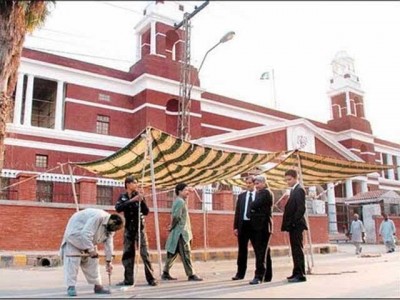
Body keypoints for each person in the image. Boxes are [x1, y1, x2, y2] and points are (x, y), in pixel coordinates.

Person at [60, 208, 124, 297]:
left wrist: (109, 261)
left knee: (93, 263)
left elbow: (109, 243)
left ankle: (98, 286)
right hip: (74, 238)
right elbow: (85, 234)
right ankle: (71, 287)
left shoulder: (111, 228)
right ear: (111, 222)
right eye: (114, 228)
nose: (114, 230)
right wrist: (91, 250)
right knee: (72, 263)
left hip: (90, 241)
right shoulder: (98, 217)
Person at [115, 175, 158, 287]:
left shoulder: (139, 196)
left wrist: (142, 200)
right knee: (128, 255)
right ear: (128, 184)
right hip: (129, 229)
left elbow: (146, 211)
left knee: (145, 254)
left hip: (140, 228)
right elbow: (118, 208)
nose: (136, 185)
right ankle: (128, 280)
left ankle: (151, 279)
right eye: (134, 182)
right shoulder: (123, 196)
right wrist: (132, 201)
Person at [161, 183, 203, 282]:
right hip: (181, 233)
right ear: (179, 191)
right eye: (185, 190)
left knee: (172, 253)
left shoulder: (180, 201)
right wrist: (172, 226)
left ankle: (165, 273)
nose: (187, 192)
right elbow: (176, 216)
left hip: (178, 232)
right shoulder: (180, 202)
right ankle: (191, 274)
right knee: (186, 254)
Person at [281, 169, 308, 283]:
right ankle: (296, 271)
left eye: (289, 179)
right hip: (293, 225)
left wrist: (293, 222)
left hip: (296, 225)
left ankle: (300, 274)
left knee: (297, 250)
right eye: (286, 180)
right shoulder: (293, 190)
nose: (288, 182)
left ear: (295, 178)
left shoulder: (299, 190)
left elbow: (301, 208)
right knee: (295, 249)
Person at [248, 175, 274, 285]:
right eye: (255, 184)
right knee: (264, 252)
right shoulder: (261, 193)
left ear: (264, 183)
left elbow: (254, 205)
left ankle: (259, 276)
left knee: (260, 252)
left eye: (258, 183)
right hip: (259, 226)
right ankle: (267, 275)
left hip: (262, 226)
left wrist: (252, 206)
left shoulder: (265, 193)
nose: (256, 186)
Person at [232, 175, 256, 280]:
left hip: (255, 226)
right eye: (246, 183)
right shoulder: (241, 196)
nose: (248, 185)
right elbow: (237, 212)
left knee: (258, 250)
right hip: (243, 225)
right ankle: (240, 273)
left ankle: (259, 273)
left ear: (254, 183)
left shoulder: (259, 195)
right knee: (242, 250)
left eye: (250, 183)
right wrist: (236, 227)